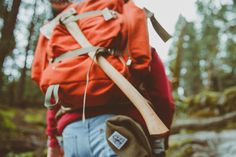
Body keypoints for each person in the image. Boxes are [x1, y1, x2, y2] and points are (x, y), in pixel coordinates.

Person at [31, 0, 174, 157]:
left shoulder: (64, 42)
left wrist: (53, 142)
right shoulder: (129, 39)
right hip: (119, 131)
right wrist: (159, 142)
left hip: (71, 135)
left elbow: (54, 97)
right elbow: (163, 98)